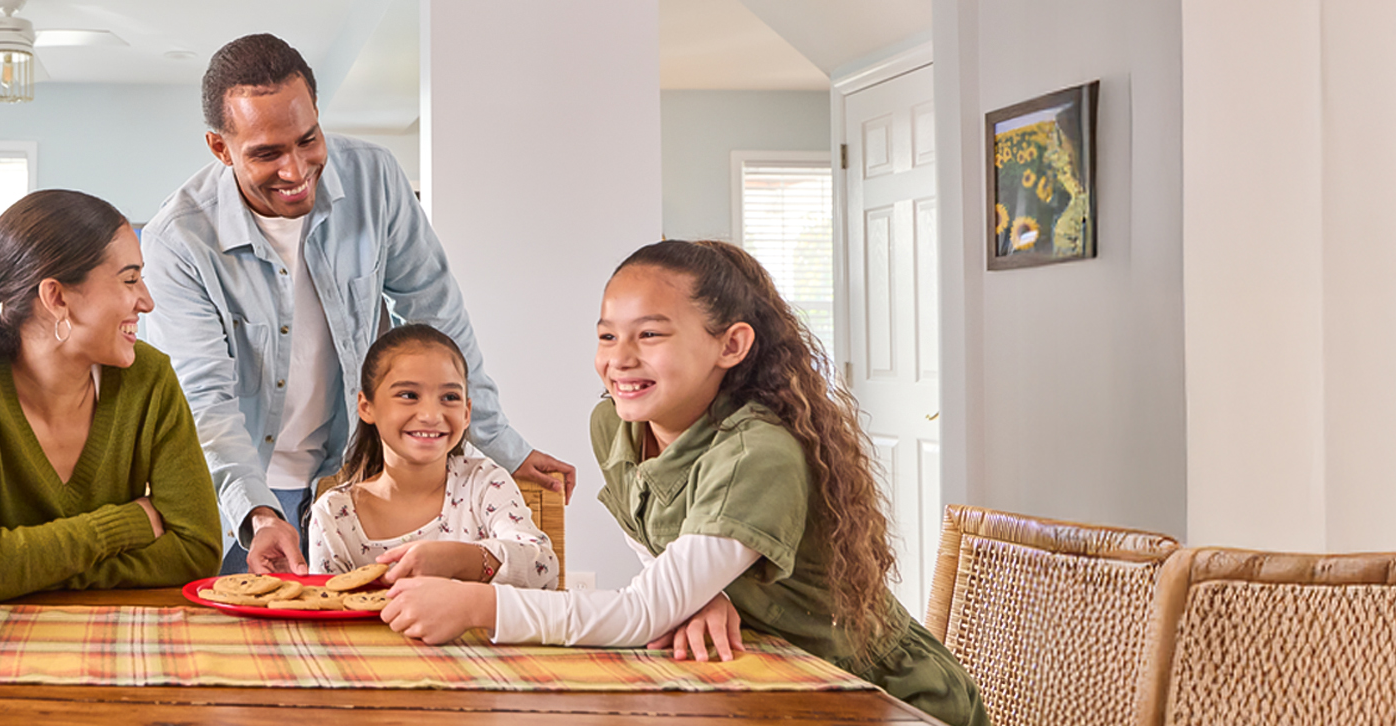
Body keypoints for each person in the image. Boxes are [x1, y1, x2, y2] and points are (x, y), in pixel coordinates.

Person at [377, 240, 988, 726]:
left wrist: (479, 604)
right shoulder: (614, 425)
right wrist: (701, 591)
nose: (620, 357)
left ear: (731, 345)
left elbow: (644, 613)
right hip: (752, 675)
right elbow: (660, 558)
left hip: (868, 694)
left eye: (651, 334)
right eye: (607, 334)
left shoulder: (757, 453)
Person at [139, 34, 576, 576]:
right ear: (220, 148)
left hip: (350, 477)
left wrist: (502, 443)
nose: (296, 171)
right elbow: (204, 401)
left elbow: (436, 317)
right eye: (267, 153)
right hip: (233, 494)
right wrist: (257, 513)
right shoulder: (177, 242)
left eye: (307, 139)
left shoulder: (374, 179)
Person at [0, 189, 222, 603]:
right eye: (130, 279)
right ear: (56, 297)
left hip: (117, 645)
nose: (146, 301)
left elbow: (197, 551)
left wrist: (13, 569)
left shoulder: (149, 380)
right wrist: (126, 524)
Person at [306, 323, 559, 590]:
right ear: (366, 407)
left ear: (466, 413)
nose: (431, 415)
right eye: (408, 395)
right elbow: (326, 615)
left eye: (449, 397)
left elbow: (543, 568)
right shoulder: (334, 515)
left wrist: (459, 560)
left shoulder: (484, 483)